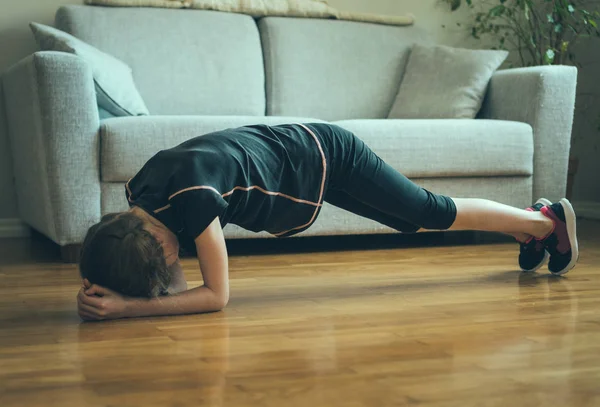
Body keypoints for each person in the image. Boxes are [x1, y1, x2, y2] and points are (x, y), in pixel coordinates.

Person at [76, 123, 579, 321]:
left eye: (164, 264)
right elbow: (171, 280)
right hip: (301, 166)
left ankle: (544, 221)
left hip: (327, 156)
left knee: (427, 211)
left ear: (157, 244)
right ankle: (522, 225)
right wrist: (106, 278)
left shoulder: (194, 200)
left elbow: (214, 296)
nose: (173, 266)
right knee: (410, 222)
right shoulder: (138, 196)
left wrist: (126, 308)